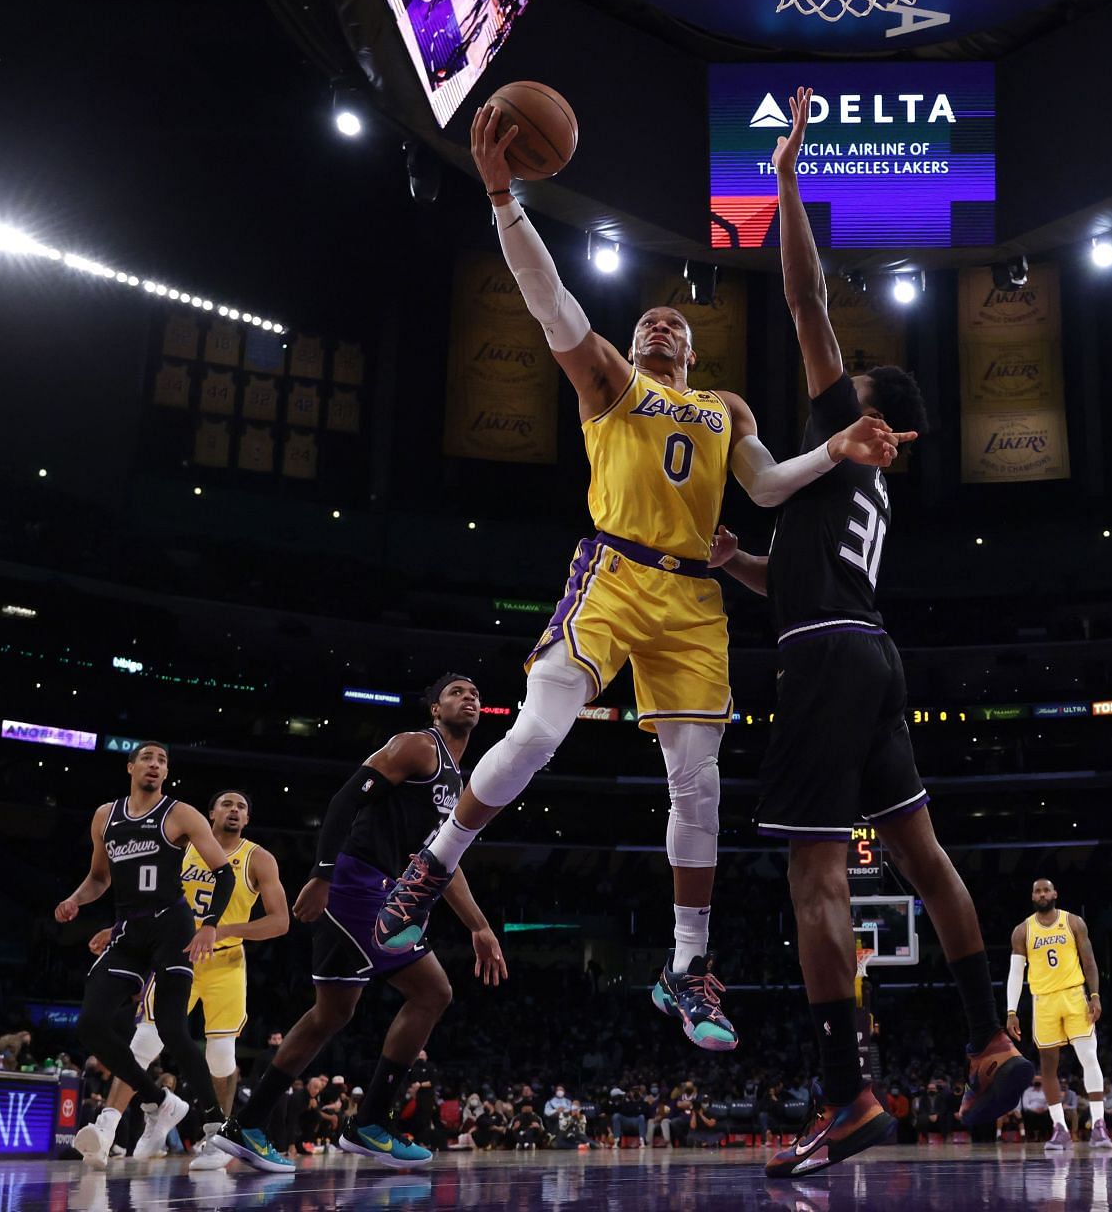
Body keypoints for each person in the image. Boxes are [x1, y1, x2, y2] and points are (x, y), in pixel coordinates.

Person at [375, 105, 903, 1057]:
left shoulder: (723, 406)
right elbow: (553, 306)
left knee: (696, 788)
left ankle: (685, 965)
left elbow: (772, 486)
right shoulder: (613, 385)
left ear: (694, 350)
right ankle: (430, 866)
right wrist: (504, 201)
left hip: (692, 605)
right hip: (613, 574)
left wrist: (832, 447)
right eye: (648, 318)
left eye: (676, 322)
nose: (661, 321)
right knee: (537, 730)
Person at [710, 86, 1032, 1178]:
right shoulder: (860, 489)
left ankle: (848, 1099)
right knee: (923, 855)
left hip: (827, 662)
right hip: (869, 652)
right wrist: (743, 565)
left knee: (815, 879)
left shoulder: (845, 430)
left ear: (861, 407)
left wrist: (789, 173)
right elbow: (801, 584)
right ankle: (991, 1041)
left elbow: (803, 297)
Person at [214, 676, 508, 1172]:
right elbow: (345, 800)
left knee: (332, 1014)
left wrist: (479, 926)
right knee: (433, 992)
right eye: (457, 691)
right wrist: (323, 874)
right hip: (357, 882)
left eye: (475, 691)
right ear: (435, 709)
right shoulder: (418, 746)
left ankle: (248, 1123)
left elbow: (442, 863)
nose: (470, 697)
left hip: (373, 887)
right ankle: (370, 1123)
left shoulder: (458, 782)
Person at [54, 741, 238, 1168]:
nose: (156, 765)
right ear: (131, 767)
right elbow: (99, 879)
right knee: (92, 1026)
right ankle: (159, 1101)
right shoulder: (106, 816)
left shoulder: (181, 813)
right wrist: (75, 900)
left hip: (172, 926)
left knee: (172, 1028)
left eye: (163, 761)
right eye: (148, 759)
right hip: (128, 929)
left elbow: (223, 873)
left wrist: (209, 923)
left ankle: (215, 1125)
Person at [91, 787, 288, 1169]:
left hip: (225, 964)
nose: (234, 809)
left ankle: (218, 1139)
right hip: (176, 955)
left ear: (247, 819)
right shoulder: (181, 847)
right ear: (210, 812)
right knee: (144, 1041)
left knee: (220, 1055)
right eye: (227, 803)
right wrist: (118, 928)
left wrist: (224, 930)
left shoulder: (257, 858)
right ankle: (107, 1128)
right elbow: (146, 895)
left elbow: (280, 922)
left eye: (242, 806)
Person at [1006, 879, 1110, 1152]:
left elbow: (1089, 962)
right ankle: (1059, 1128)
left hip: (1075, 996)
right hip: (1044, 1002)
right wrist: (1011, 1010)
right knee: (1048, 1067)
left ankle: (1099, 1124)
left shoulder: (1073, 922)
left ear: (1055, 893)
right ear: (1032, 896)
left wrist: (1095, 995)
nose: (1042, 894)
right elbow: (1016, 974)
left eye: (1046, 890)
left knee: (1089, 1057)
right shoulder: (1022, 931)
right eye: (1037, 891)